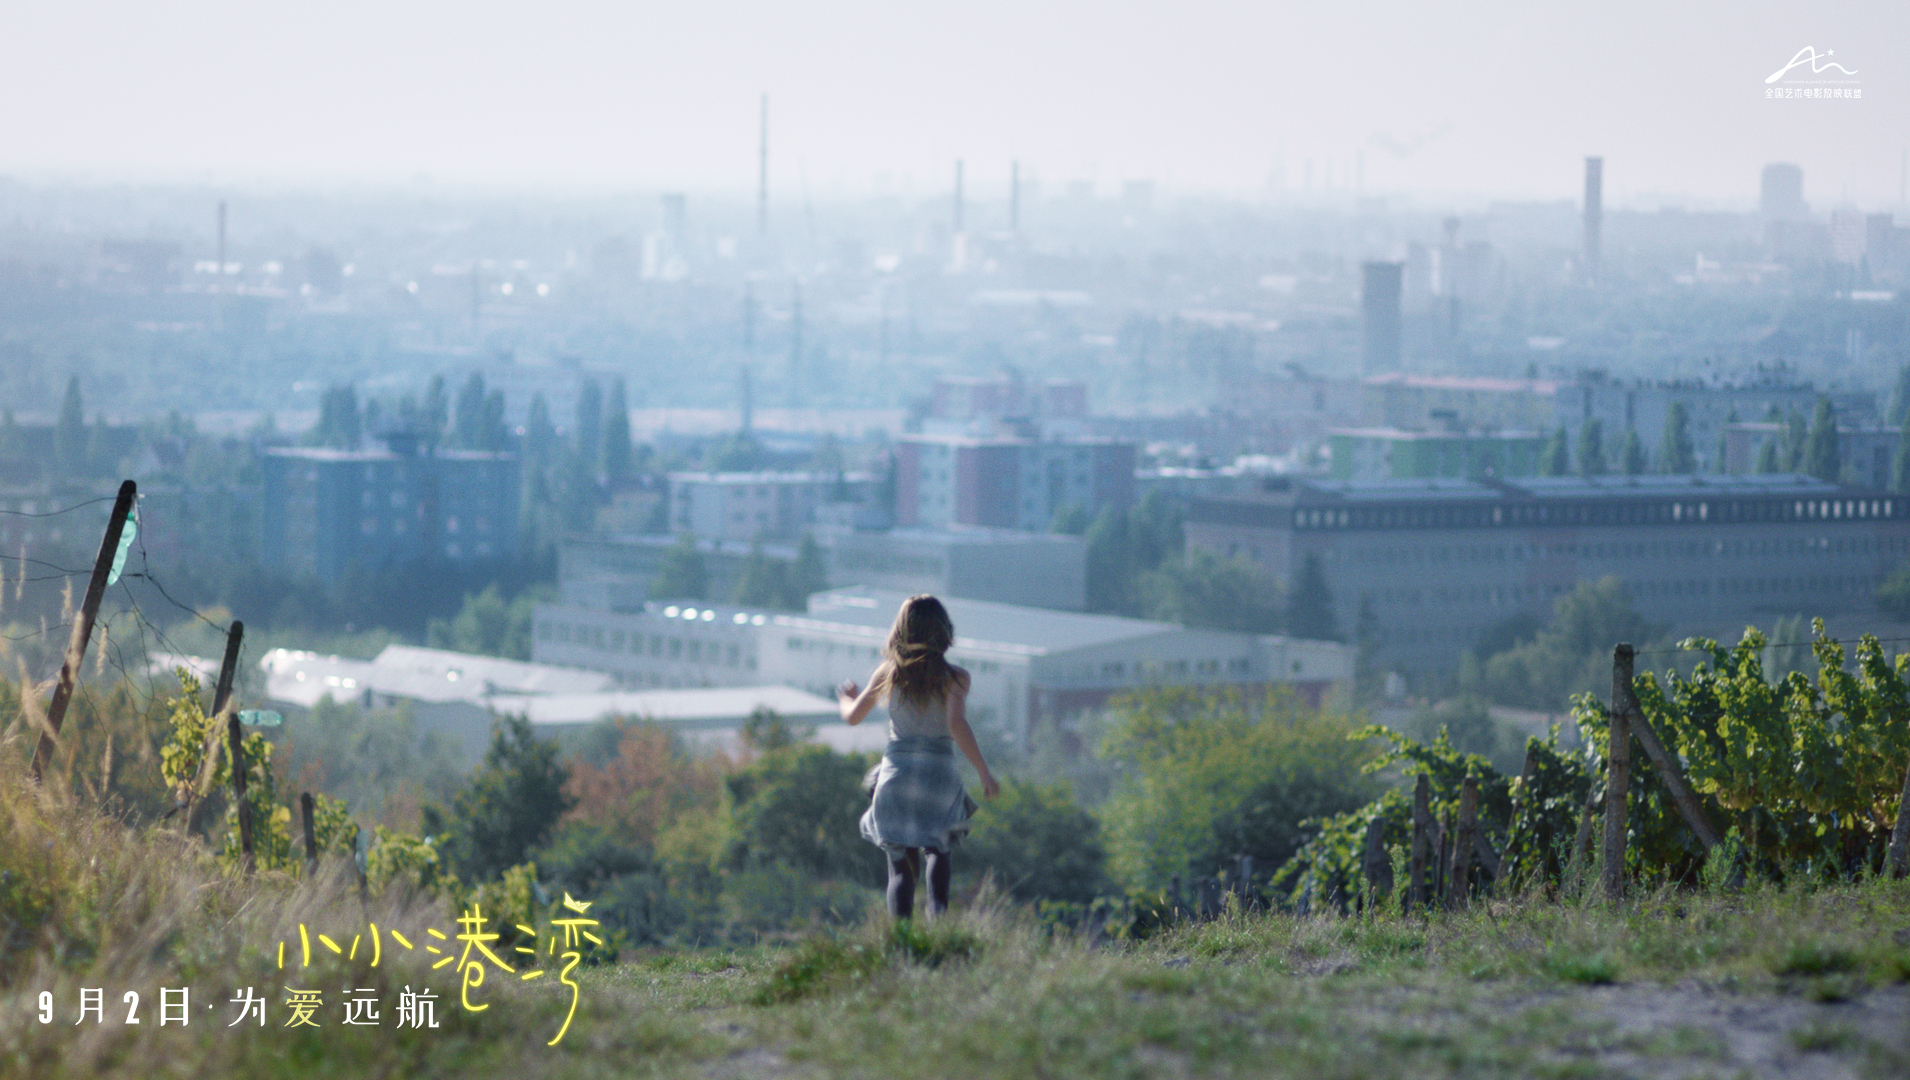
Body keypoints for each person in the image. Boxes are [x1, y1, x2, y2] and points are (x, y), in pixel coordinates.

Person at [838, 594, 999, 920]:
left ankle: (902, 939)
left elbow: (852, 717)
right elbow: (955, 723)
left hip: (896, 775)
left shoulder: (888, 673)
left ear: (901, 631)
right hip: (939, 776)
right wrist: (982, 770)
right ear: (944, 631)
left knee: (901, 871)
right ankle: (938, 919)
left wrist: (847, 699)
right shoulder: (956, 678)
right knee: (938, 851)